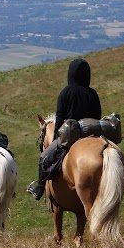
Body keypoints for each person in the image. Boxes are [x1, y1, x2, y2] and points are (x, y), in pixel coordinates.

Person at [27, 58, 102, 200]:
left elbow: (60, 118)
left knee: (44, 157)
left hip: (70, 135)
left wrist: (56, 136)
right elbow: (97, 117)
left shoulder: (66, 93)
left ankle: (39, 189)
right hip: (91, 134)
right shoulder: (92, 93)